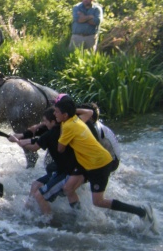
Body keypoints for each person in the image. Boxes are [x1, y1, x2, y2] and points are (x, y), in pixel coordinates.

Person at [54, 95, 157, 231]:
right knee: (68, 188)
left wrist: (61, 127)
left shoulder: (67, 127)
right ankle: (79, 217)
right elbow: (89, 112)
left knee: (98, 201)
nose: (54, 114)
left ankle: (141, 212)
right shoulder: (77, 119)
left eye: (56, 112)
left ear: (65, 115)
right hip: (87, 163)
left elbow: (60, 149)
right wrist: (72, 111)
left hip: (99, 164)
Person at [9, 107, 82, 216]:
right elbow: (35, 138)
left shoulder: (51, 134)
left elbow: (33, 147)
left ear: (53, 121)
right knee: (35, 185)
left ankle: (48, 222)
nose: (43, 123)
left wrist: (16, 141)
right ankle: (27, 211)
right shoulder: (59, 128)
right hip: (61, 169)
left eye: (45, 121)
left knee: (40, 195)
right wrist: (21, 138)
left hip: (67, 172)